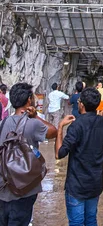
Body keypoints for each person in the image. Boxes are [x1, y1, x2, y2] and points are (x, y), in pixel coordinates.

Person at [55, 87, 103, 226]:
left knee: (77, 222)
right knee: (91, 220)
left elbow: (59, 153)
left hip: (77, 185)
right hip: (95, 183)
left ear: (81, 104)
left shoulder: (76, 126)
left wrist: (60, 127)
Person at [0, 82, 57, 226]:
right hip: (24, 189)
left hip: (3, 187)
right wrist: (36, 116)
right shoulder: (33, 124)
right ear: (28, 101)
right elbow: (53, 131)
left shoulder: (2, 123)